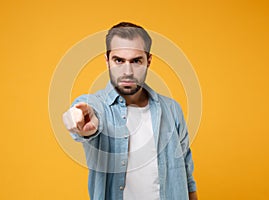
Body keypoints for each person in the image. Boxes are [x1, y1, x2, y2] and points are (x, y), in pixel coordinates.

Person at [63, 22, 198, 200]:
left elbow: (186, 172)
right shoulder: (96, 106)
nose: (127, 71)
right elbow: (77, 117)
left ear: (148, 61)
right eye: (119, 60)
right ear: (107, 60)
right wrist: (79, 122)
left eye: (136, 61)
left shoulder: (172, 109)